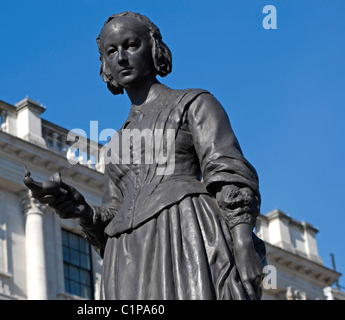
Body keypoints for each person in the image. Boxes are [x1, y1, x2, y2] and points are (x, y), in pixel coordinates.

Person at [24, 11, 266, 300]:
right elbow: (113, 210)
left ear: (153, 48)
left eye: (131, 45)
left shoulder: (194, 103)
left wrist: (242, 242)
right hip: (125, 255)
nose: (121, 58)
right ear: (105, 64)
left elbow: (227, 172)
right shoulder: (114, 145)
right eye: (111, 52)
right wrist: (83, 211)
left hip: (183, 231)